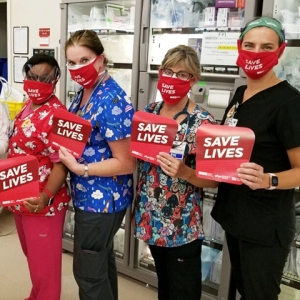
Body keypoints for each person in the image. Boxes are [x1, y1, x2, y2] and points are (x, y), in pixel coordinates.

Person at [211, 16, 300, 300]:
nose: (256, 53)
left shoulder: (289, 103)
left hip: (265, 224)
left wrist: (269, 180)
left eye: (266, 46)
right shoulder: (240, 93)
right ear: (239, 47)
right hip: (236, 216)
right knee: (244, 289)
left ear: (280, 51)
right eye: (249, 45)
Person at [133, 45, 218, 300]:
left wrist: (185, 172)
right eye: (168, 71)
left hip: (181, 226)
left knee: (183, 292)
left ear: (193, 80)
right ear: (160, 73)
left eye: (182, 74)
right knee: (165, 287)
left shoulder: (203, 123)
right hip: (150, 219)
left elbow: (213, 179)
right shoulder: (148, 112)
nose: (173, 78)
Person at [58, 29, 135, 300]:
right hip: (89, 196)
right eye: (71, 62)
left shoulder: (111, 99)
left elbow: (126, 163)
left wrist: (81, 169)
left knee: (87, 273)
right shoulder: (84, 92)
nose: (77, 67)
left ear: (100, 60)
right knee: (100, 263)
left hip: (102, 200)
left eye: (84, 59)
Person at [7, 54, 71, 300]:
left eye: (44, 78)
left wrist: (46, 196)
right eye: (32, 77)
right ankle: (37, 295)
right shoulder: (26, 106)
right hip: (21, 197)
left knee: (45, 266)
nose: (37, 83)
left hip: (45, 202)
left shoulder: (58, 114)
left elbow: (62, 163)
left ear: (55, 79)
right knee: (33, 258)